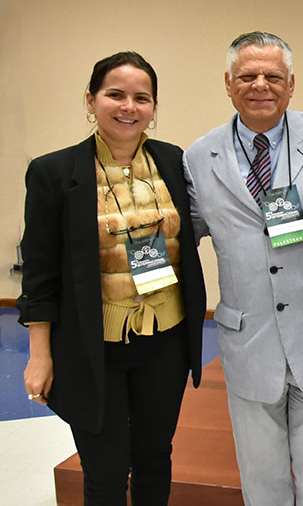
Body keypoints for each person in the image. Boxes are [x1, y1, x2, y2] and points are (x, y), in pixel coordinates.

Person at [19, 51, 206, 504]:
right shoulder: (53, 172)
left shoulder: (172, 160)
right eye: (115, 94)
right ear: (91, 100)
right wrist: (40, 356)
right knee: (104, 470)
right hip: (92, 346)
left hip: (165, 340)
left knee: (155, 457)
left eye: (142, 98)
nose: (129, 107)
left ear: (154, 108)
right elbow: (40, 274)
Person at [183, 32, 303, 505]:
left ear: (291, 84)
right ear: (228, 83)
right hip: (248, 342)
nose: (260, 85)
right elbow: (183, 237)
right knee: (261, 482)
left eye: (273, 76)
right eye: (247, 76)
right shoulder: (198, 157)